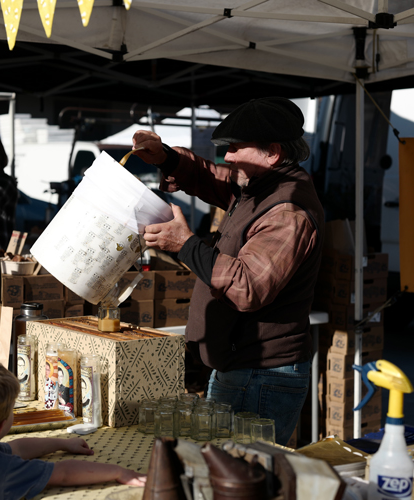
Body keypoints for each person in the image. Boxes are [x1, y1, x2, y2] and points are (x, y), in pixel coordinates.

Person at [132, 97, 324, 445]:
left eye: (236, 148)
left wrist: (186, 245)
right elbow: (213, 176)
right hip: (243, 367)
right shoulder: (258, 184)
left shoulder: (288, 211)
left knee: (241, 478)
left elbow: (248, 286)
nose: (228, 157)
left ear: (273, 153)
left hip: (262, 373)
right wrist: (166, 157)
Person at [0, 361, 145, 499]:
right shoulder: (2, 470)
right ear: (0, 426)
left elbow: (17, 448)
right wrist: (119, 471)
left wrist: (62, 442)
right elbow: (63, 474)